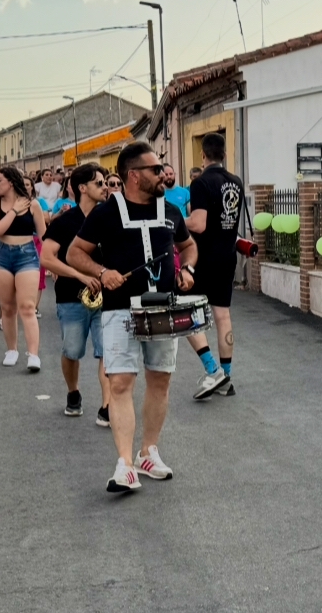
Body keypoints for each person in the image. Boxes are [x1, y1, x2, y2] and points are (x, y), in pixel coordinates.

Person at [68, 142, 197, 493]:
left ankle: (148, 452)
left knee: (160, 381)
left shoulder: (170, 211)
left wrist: (187, 268)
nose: (164, 174)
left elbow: (188, 245)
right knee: (121, 383)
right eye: (156, 169)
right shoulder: (106, 214)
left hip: (162, 307)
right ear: (134, 176)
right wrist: (102, 270)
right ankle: (124, 464)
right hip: (119, 309)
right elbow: (74, 253)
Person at [40, 163, 111, 424]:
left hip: (108, 299)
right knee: (72, 351)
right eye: (99, 183)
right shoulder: (65, 222)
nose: (105, 187)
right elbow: (46, 258)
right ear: (82, 188)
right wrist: (80, 275)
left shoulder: (109, 217)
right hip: (72, 296)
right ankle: (73, 392)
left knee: (108, 351)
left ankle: (107, 406)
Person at [185, 133, 246, 400]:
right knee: (223, 316)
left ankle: (213, 369)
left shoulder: (200, 183)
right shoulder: (236, 181)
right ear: (224, 153)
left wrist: (175, 218)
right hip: (227, 254)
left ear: (203, 155)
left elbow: (198, 224)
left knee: (186, 312)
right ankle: (227, 375)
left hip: (203, 257)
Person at [0, 166, 47, 371]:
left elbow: (43, 236)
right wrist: (13, 210)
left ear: (11, 182)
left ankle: (33, 355)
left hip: (27, 254)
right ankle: (11, 350)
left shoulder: (34, 205)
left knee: (28, 307)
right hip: (2, 255)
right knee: (8, 308)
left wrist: (51, 262)